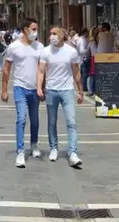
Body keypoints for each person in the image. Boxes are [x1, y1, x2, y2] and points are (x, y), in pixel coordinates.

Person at [37, 27, 83, 167]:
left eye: (54, 34)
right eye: (50, 34)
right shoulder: (45, 51)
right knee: (52, 121)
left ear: (62, 36)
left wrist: (80, 90)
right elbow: (41, 71)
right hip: (51, 90)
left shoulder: (71, 51)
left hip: (67, 90)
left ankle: (73, 152)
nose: (51, 36)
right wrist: (39, 87)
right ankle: (54, 148)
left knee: (71, 121)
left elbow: (76, 71)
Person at [1, 18, 44, 168]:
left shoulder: (40, 47)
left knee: (35, 120)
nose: (35, 32)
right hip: (20, 87)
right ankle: (20, 151)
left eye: (36, 29)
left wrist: (42, 87)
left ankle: (34, 144)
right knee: (21, 119)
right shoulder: (14, 47)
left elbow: (42, 69)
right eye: (33, 29)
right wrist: (4, 90)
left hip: (35, 88)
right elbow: (6, 69)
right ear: (25, 30)